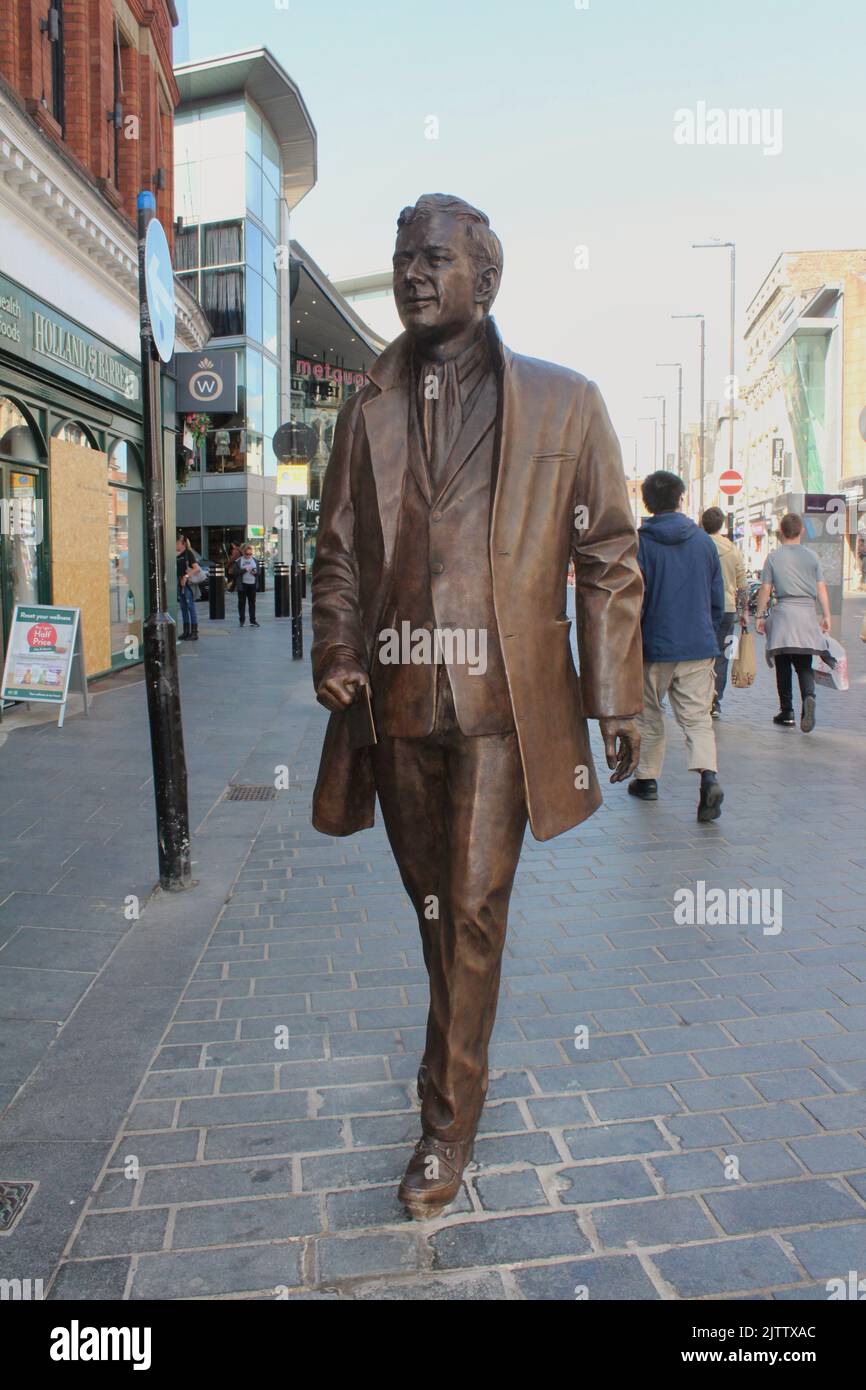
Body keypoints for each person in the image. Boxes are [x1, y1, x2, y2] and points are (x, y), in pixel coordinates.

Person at [311, 193, 642, 1220]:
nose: (413, 275)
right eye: (404, 258)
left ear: (484, 281)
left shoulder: (562, 401)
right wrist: (334, 646)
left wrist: (616, 695)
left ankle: (445, 1117)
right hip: (398, 701)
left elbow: (606, 557)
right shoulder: (362, 405)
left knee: (471, 910)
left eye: (436, 260)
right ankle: (458, 1060)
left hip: (505, 707)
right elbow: (335, 554)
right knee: (435, 914)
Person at [629, 471, 725, 821]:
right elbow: (717, 600)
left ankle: (647, 780)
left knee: (649, 715)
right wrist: (707, 634)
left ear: (647, 503)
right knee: (697, 719)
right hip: (697, 645)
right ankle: (708, 777)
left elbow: (632, 601)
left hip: (653, 647)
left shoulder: (640, 544)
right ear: (681, 498)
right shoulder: (704, 543)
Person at [755, 512, 830, 732]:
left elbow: (766, 589)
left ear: (780, 532)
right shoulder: (812, 557)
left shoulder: (773, 557)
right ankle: (809, 697)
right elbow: (821, 588)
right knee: (804, 663)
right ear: (802, 531)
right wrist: (826, 615)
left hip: (783, 614)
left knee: (783, 663)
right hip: (806, 614)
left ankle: (787, 711)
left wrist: (759, 616)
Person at [701, 506, 747, 717]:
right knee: (722, 656)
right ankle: (715, 701)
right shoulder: (733, 549)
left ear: (703, 524)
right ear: (721, 525)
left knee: (701, 655)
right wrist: (744, 611)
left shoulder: (697, 546)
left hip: (702, 608)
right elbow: (743, 585)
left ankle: (700, 697)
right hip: (728, 610)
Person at [176, 535, 198, 641]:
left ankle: (194, 632)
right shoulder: (176, 555)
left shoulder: (188, 553)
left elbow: (196, 568)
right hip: (179, 584)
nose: (176, 545)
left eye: (177, 543)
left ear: (183, 543)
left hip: (187, 584)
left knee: (190, 607)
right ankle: (186, 631)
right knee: (183, 607)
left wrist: (186, 576)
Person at [233, 545, 260, 627]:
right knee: (242, 603)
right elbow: (235, 572)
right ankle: (242, 620)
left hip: (252, 584)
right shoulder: (239, 561)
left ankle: (253, 620)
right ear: (243, 553)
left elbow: (259, 572)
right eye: (247, 554)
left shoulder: (255, 560)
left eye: (250, 554)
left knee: (252, 603)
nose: (249, 555)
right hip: (243, 585)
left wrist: (255, 573)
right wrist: (244, 570)